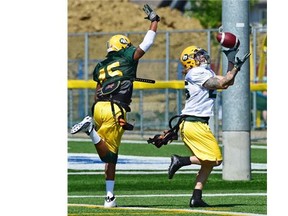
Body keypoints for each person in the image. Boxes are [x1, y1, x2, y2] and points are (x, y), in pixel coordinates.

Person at [70, 4, 160, 208]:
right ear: (122, 46)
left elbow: (98, 89)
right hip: (115, 109)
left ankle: (109, 197)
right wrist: (155, 22)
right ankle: (90, 130)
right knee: (108, 154)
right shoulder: (127, 57)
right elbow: (147, 43)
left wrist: (96, 112)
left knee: (112, 157)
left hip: (100, 108)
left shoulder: (101, 65)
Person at [165, 45, 250, 207]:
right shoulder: (196, 73)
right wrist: (235, 66)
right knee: (215, 159)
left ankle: (196, 197)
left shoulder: (204, 72)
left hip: (197, 123)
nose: (202, 57)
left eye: (202, 54)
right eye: (198, 55)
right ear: (190, 61)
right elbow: (223, 82)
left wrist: (232, 62)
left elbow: (227, 83)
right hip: (193, 122)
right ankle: (180, 160)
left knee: (208, 163)